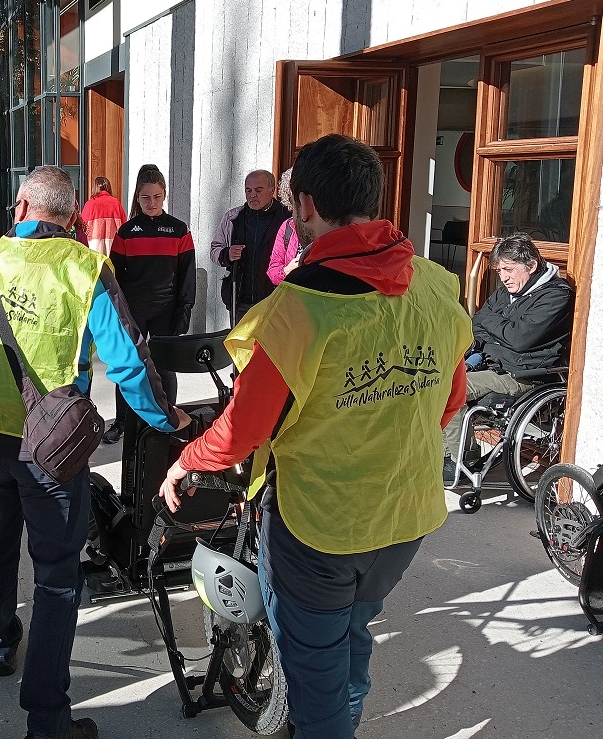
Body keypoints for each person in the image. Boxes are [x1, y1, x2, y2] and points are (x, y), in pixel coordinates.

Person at [159, 134, 471, 739]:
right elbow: (450, 401)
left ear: (304, 204)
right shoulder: (434, 284)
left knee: (314, 669)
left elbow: (244, 429)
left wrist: (187, 460)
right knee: (353, 630)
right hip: (405, 514)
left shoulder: (300, 307)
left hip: (319, 526)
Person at [0, 165, 191, 739]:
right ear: (73, 217)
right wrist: (169, 419)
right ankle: (47, 718)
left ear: (20, 207)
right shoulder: (85, 269)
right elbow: (128, 361)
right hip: (52, 446)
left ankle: (0, 639)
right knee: (56, 575)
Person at [441, 232, 574, 473]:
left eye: (509, 269)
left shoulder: (556, 296)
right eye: (500, 270)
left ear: (531, 266)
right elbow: (477, 323)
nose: (503, 277)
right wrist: (500, 331)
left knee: (450, 387)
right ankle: (446, 452)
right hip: (495, 365)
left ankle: (463, 460)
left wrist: (494, 326)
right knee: (433, 378)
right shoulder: (508, 291)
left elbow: (519, 339)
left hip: (523, 374)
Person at [101, 164, 195, 445]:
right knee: (130, 367)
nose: (151, 203)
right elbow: (114, 276)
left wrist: (185, 309)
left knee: (164, 368)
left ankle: (168, 420)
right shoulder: (126, 232)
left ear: (164, 194)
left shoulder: (179, 230)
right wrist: (116, 312)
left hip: (166, 309)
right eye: (145, 197)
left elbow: (187, 274)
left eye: (157, 196)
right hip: (134, 310)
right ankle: (122, 422)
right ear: (137, 197)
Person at [210, 169, 291, 323]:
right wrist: (227, 254)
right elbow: (215, 250)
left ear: (272, 189)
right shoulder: (233, 218)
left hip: (275, 301)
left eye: (258, 190)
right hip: (240, 301)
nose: (252, 195)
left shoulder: (286, 218)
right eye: (248, 190)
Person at [266, 168, 304, 286]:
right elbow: (273, 271)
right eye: (293, 196)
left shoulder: (328, 224)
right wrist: (287, 270)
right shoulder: (288, 226)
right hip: (293, 294)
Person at [79, 175, 127, 254]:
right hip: (113, 247)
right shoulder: (116, 203)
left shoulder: (90, 204)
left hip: (94, 247)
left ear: (94, 188)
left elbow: (82, 227)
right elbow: (124, 226)